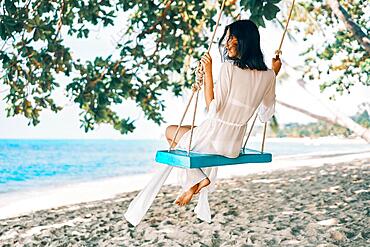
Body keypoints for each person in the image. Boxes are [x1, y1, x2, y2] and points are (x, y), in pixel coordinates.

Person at [124, 19, 282, 226]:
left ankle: (197, 178)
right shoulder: (268, 75)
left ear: (244, 41)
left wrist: (208, 72)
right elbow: (265, 114)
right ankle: (196, 177)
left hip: (214, 136)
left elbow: (213, 108)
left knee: (170, 132)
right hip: (233, 145)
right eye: (227, 38)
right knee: (188, 135)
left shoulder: (229, 68)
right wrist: (274, 73)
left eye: (232, 38)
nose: (227, 43)